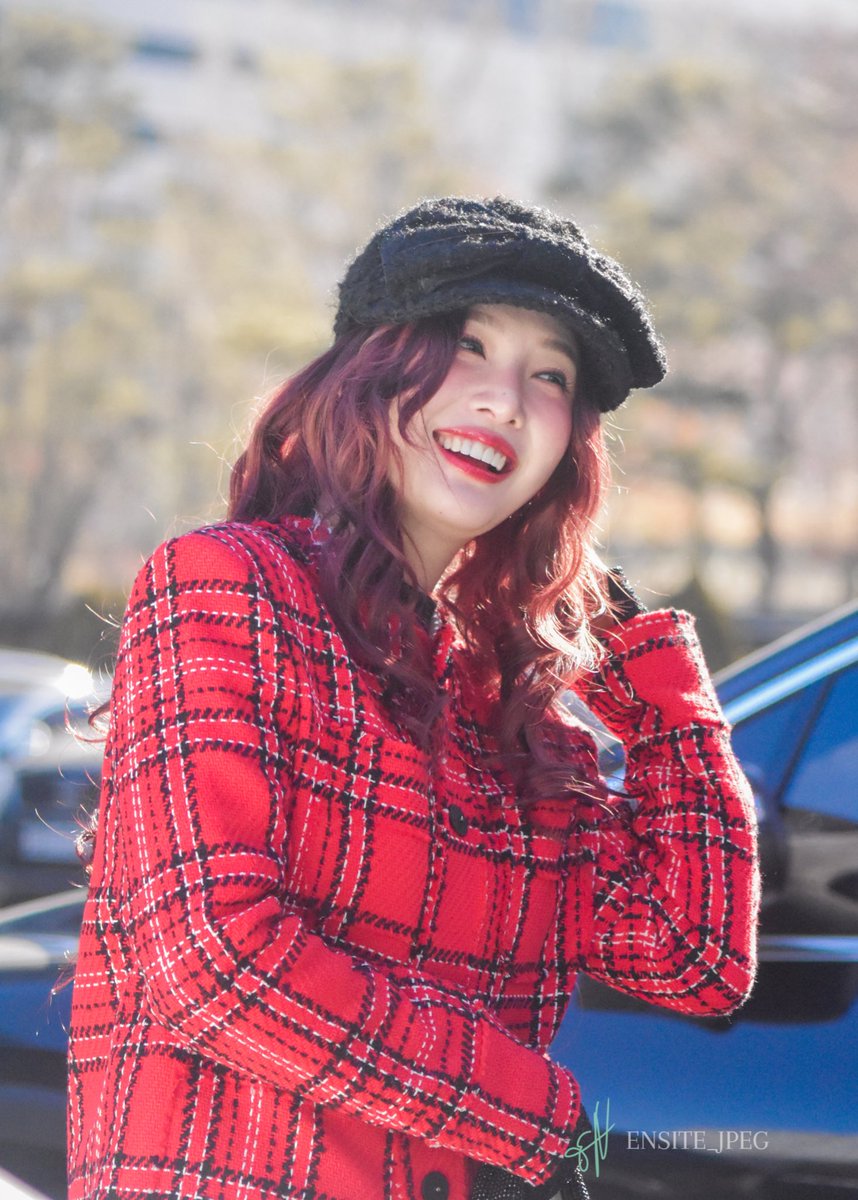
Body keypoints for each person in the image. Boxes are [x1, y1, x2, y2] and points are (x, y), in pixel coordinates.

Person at [67, 196, 760, 1200]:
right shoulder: (226, 586)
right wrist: (541, 1119)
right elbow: (215, 963)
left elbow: (693, 955)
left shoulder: (518, 721)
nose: (506, 400)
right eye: (468, 345)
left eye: (550, 376)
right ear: (368, 372)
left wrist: (646, 668)